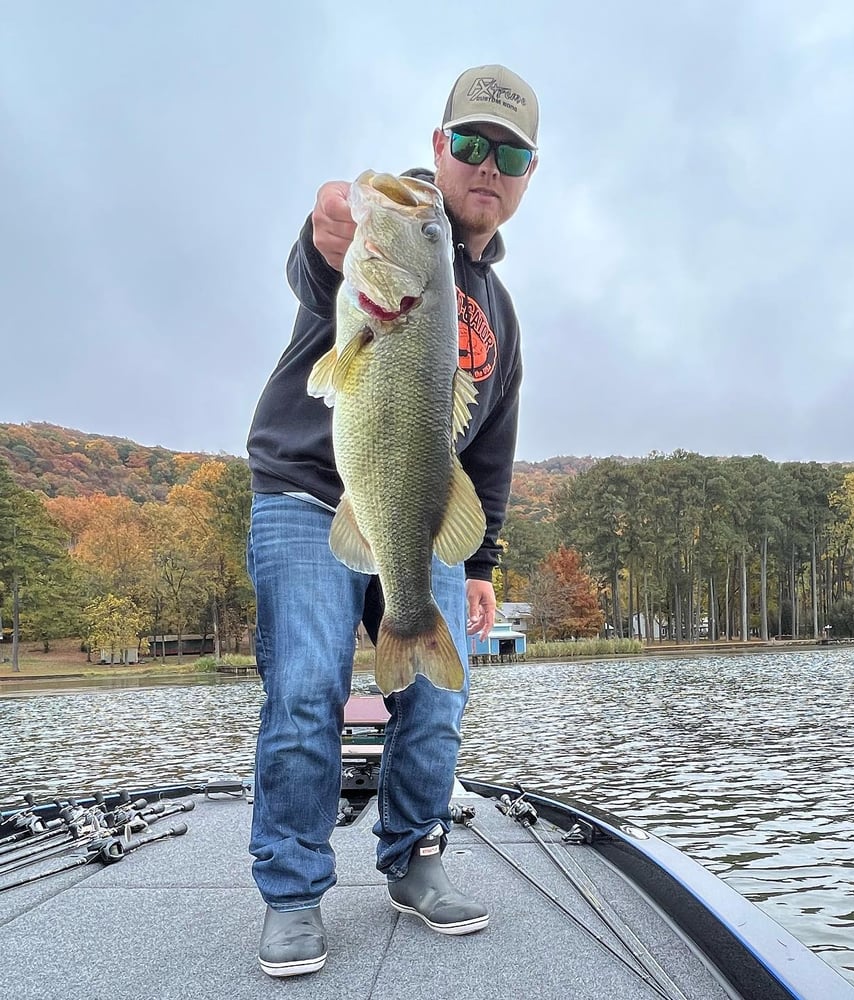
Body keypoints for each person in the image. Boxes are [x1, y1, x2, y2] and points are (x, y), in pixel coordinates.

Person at [244, 64, 540, 977]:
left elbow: (488, 449)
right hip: (305, 493)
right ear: (439, 149)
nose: (487, 165)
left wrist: (481, 560)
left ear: (529, 176)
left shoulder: (498, 311)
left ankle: (414, 858)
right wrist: (325, 233)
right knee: (304, 692)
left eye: (511, 153)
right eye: (470, 143)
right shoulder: (384, 252)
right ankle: (293, 894)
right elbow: (315, 263)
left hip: (418, 516)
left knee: (441, 698)